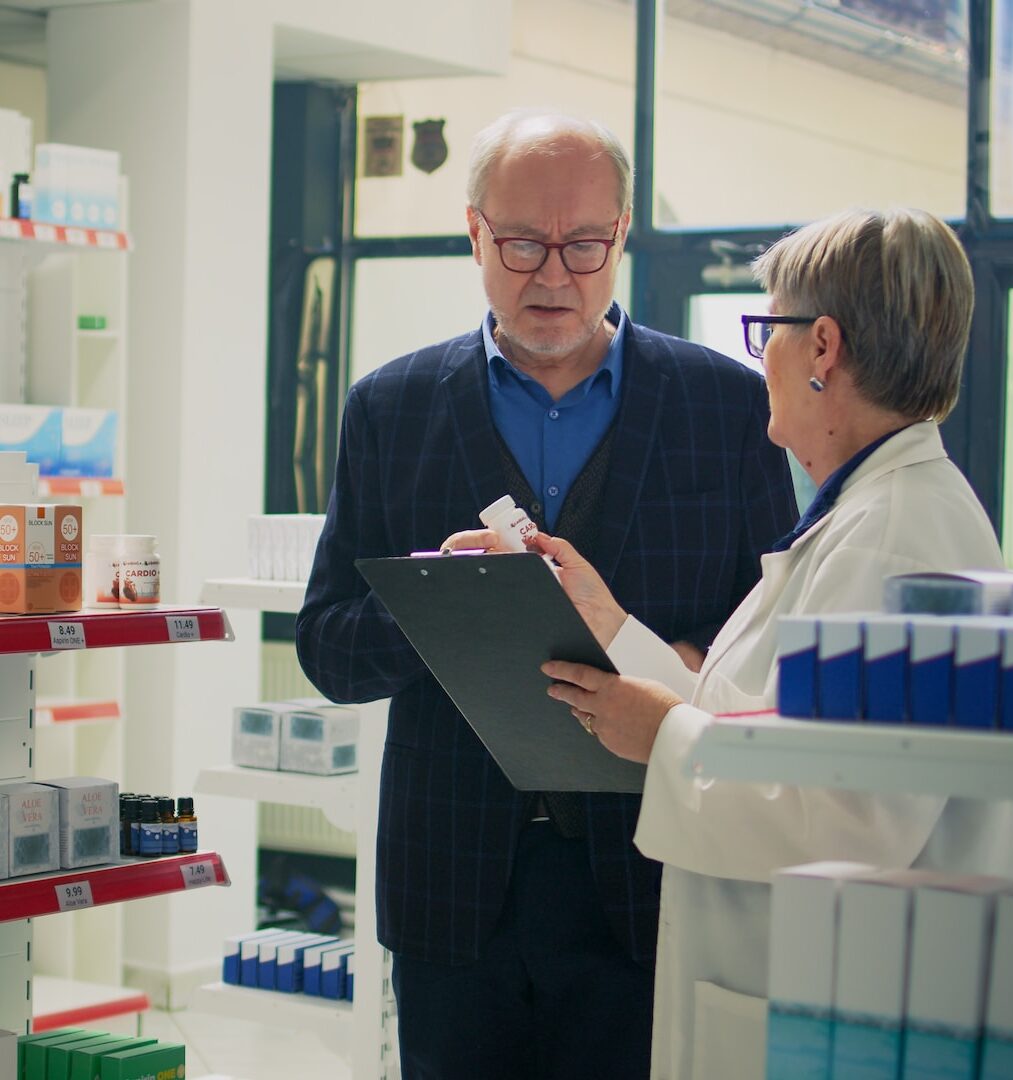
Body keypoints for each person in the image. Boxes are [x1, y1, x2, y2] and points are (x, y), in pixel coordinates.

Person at [294, 109, 796, 1080]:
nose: (554, 275)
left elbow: (761, 644)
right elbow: (325, 648)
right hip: (451, 884)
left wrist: (671, 667)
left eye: (582, 244)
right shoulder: (389, 410)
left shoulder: (724, 407)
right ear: (474, 232)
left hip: (650, 879)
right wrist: (431, 604)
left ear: (621, 238)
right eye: (522, 244)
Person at [520, 208, 1013, 1079]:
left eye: (770, 332)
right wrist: (608, 625)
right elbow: (761, 726)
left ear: (822, 346)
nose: (763, 359)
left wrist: (661, 737)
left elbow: (848, 818)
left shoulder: (895, 539)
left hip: (843, 1001)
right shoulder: (868, 514)